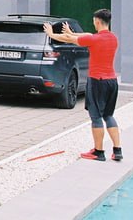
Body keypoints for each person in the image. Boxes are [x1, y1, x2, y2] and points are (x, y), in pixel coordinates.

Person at [44, 9, 122, 161]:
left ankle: (99, 152)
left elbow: (69, 39)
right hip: (112, 81)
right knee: (108, 115)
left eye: (94, 21)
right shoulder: (113, 38)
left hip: (97, 81)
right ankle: (117, 150)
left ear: (97, 21)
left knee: (96, 117)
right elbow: (87, 35)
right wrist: (71, 32)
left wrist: (52, 34)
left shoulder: (94, 40)